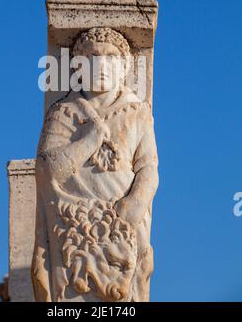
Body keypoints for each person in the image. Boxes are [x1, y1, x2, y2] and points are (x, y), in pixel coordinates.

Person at [32, 27, 158, 302]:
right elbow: (46, 169)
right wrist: (89, 141)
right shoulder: (63, 111)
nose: (101, 65)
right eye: (91, 57)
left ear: (124, 66)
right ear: (77, 66)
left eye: (111, 57)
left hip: (122, 223)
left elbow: (148, 168)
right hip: (74, 226)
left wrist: (134, 204)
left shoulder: (137, 111)